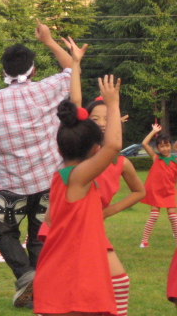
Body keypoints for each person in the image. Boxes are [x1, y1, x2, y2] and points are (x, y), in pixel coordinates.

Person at [0, 20, 73, 307]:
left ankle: (27, 276)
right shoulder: (48, 89)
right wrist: (50, 41)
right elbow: (71, 70)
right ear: (33, 69)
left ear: (3, 71)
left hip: (12, 185)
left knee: (3, 233)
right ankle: (40, 286)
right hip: (48, 179)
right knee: (39, 236)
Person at [65, 37, 143, 316]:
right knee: (75, 293)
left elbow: (139, 192)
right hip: (73, 232)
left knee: (115, 284)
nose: (100, 123)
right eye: (95, 119)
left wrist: (108, 211)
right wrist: (75, 65)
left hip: (91, 229)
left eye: (106, 118)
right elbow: (74, 106)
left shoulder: (119, 163)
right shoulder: (83, 159)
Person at [33, 74, 122, 316]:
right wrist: (113, 105)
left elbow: (51, 218)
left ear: (60, 148)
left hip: (62, 275)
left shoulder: (63, 177)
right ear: (95, 150)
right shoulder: (78, 178)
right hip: (73, 280)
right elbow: (113, 146)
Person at [139, 124, 177, 247]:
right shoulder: (156, 157)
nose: (165, 149)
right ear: (157, 148)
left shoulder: (175, 160)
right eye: (161, 146)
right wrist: (153, 131)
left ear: (170, 145)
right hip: (156, 192)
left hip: (169, 192)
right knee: (154, 215)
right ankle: (144, 241)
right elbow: (144, 143)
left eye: (167, 145)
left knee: (173, 217)